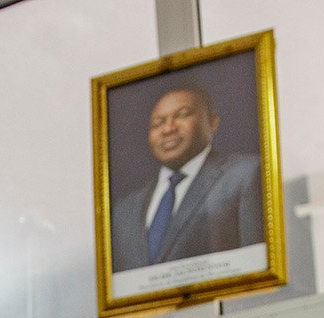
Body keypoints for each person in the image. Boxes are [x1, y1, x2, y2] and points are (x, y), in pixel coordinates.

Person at [110, 83, 263, 274]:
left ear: (213, 122)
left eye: (182, 115)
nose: (168, 129)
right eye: (157, 123)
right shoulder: (123, 211)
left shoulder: (245, 174)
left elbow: (257, 266)